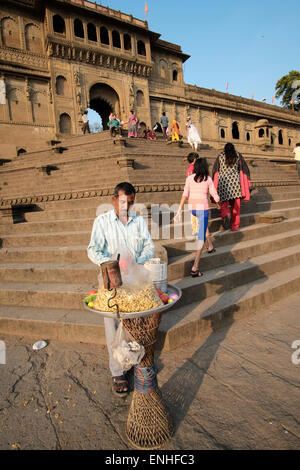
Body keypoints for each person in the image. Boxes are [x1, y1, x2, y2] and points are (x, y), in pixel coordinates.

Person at [87, 182, 154, 396]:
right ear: (114, 199)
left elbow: (149, 246)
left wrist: (136, 261)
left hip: (135, 280)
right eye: (124, 201)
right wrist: (110, 263)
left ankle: (132, 361)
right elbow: (93, 249)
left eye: (131, 202)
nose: (127, 206)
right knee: (112, 326)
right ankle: (117, 372)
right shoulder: (102, 221)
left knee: (133, 324)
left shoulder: (138, 222)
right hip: (111, 283)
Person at [174, 158, 220, 277]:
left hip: (192, 209)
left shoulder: (189, 178)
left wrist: (179, 210)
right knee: (201, 237)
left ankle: (210, 246)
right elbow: (214, 195)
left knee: (203, 226)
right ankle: (195, 267)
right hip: (202, 209)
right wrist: (218, 202)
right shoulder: (208, 179)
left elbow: (185, 194)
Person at [212, 142, 251, 232]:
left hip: (223, 182)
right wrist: (247, 181)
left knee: (224, 204)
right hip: (235, 184)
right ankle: (234, 226)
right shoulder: (238, 156)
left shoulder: (220, 156)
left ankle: (226, 214)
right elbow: (244, 169)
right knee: (236, 207)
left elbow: (215, 170)